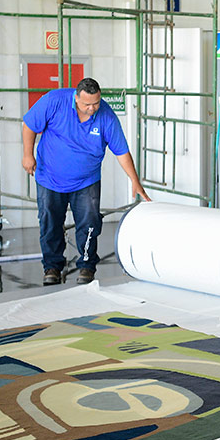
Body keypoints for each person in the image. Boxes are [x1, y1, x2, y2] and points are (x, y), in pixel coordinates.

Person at [22, 77, 150, 286]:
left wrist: (134, 181)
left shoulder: (106, 115)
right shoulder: (55, 101)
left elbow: (121, 151)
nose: (92, 108)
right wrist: (28, 155)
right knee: (49, 222)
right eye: (87, 104)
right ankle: (52, 266)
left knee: (89, 224)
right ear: (76, 98)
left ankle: (87, 266)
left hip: (86, 181)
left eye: (96, 103)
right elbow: (29, 125)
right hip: (50, 178)